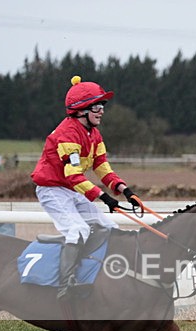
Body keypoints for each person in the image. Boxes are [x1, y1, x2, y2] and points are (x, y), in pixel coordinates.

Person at [31, 75, 141, 300]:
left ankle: (100, 274)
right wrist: (103, 197)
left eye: (103, 106)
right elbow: (73, 175)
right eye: (97, 106)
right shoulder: (67, 134)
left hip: (71, 190)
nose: (102, 111)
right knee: (77, 230)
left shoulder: (94, 134)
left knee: (108, 227)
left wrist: (125, 191)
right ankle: (65, 283)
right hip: (52, 190)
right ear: (81, 110)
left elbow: (103, 168)